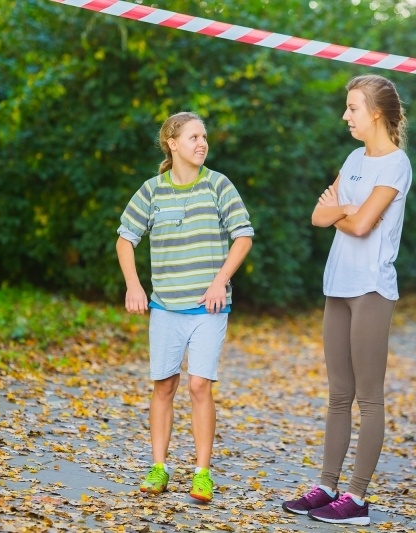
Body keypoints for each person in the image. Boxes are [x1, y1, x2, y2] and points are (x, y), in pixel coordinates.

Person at [281, 74, 411, 526]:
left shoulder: (396, 164)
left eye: (352, 107)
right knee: (339, 395)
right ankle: (327, 486)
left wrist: (348, 212)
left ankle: (356, 499)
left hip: (372, 289)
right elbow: (320, 216)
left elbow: (360, 226)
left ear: (375, 113)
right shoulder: (354, 157)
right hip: (337, 284)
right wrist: (350, 210)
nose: (345, 115)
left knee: (368, 398)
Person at [115, 111, 253, 503]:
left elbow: (243, 237)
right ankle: (159, 467)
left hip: (208, 309)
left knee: (199, 385)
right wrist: (133, 285)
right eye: (193, 137)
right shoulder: (152, 191)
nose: (202, 143)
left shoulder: (218, 186)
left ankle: (202, 473)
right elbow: (126, 239)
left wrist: (218, 281)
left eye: (204, 136)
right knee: (164, 385)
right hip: (165, 309)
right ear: (172, 144)